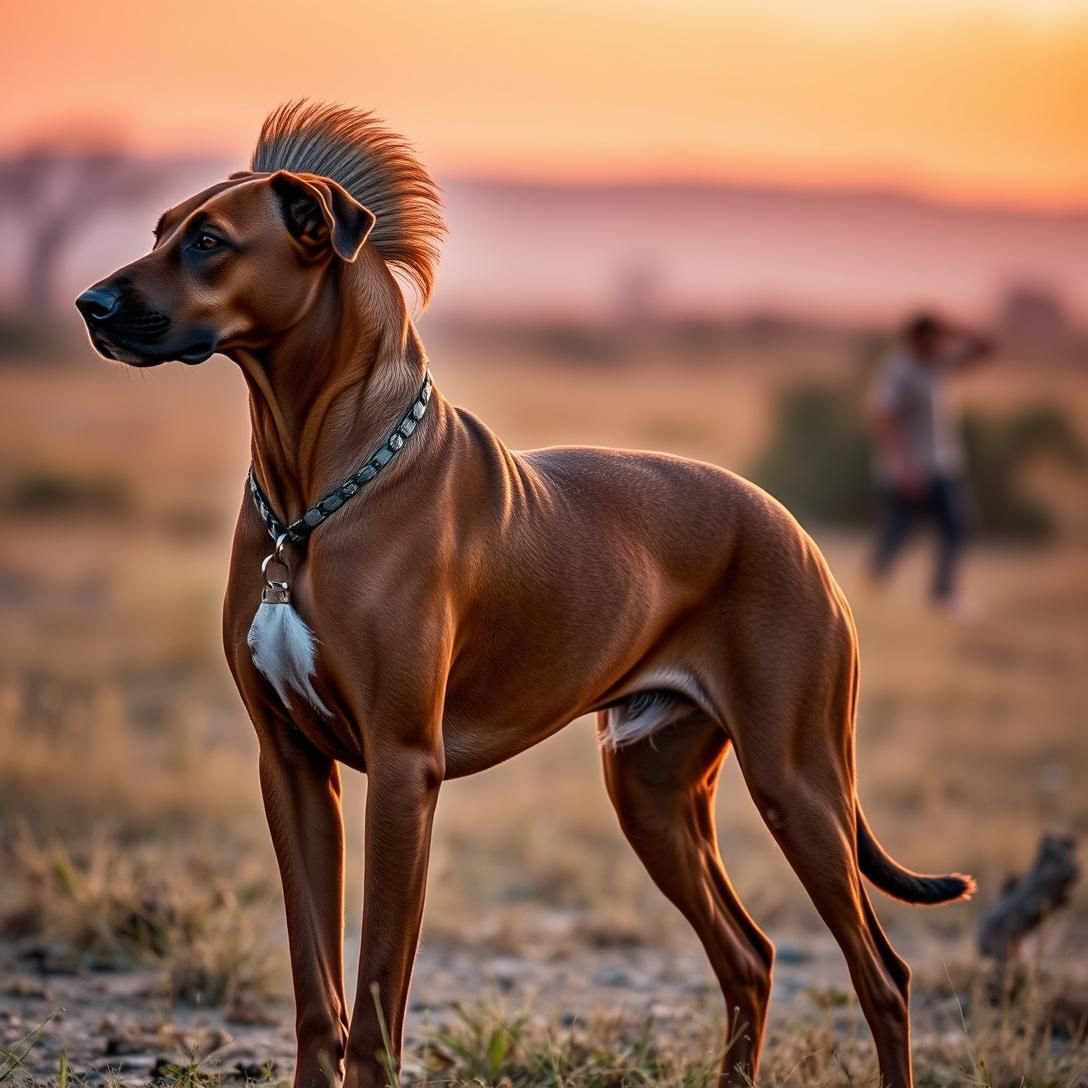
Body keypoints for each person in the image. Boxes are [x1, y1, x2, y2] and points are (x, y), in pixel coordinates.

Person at [867, 313, 993, 614]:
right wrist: (903, 466)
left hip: (943, 465)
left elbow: (986, 349)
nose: (938, 343)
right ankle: (871, 586)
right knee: (898, 533)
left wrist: (954, 328)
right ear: (917, 339)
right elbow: (884, 418)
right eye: (933, 336)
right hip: (908, 471)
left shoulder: (937, 365)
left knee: (956, 528)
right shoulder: (898, 370)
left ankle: (943, 595)